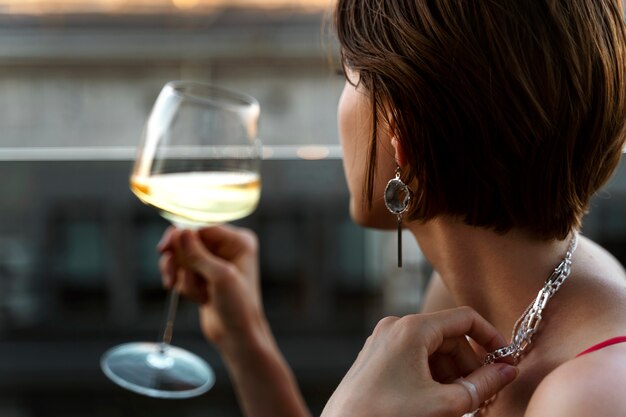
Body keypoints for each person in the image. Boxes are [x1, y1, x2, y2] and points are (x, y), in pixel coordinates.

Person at [158, 0, 626, 416]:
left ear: (402, 132)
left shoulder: (588, 397)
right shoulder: (462, 294)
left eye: (347, 76)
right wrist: (248, 341)